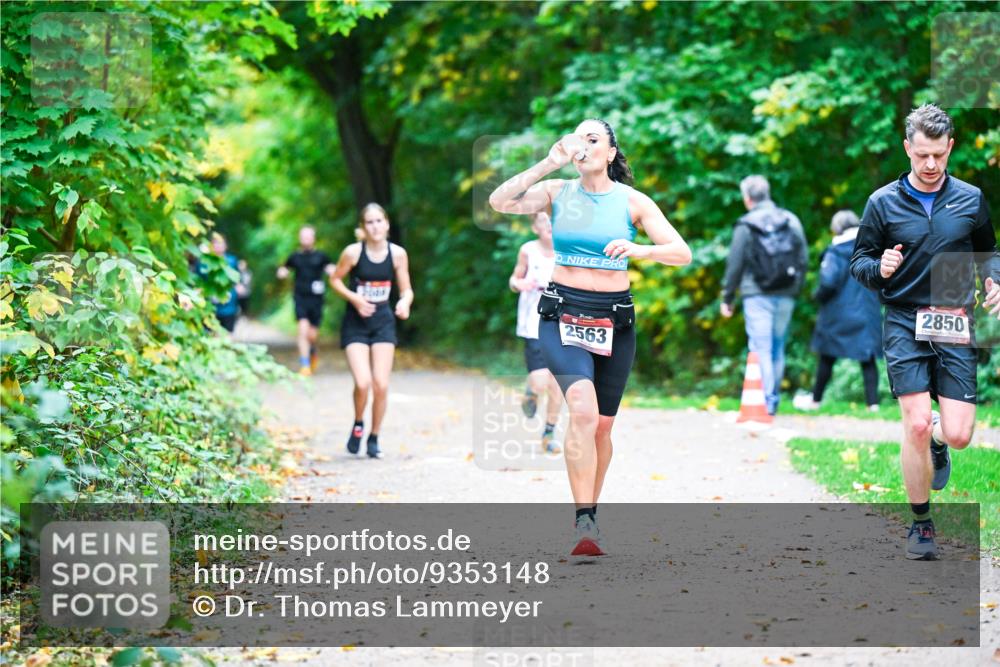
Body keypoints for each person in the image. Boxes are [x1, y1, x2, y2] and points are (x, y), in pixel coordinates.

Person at [489, 119, 692, 557]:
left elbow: (681, 253)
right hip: (562, 313)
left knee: (602, 427)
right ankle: (583, 520)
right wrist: (548, 162)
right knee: (581, 410)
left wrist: (641, 250)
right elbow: (499, 200)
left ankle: (592, 512)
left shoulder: (633, 202)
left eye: (593, 139)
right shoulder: (559, 192)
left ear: (611, 153)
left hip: (615, 321)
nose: (583, 146)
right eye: (578, 139)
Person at [850, 104, 1000, 560]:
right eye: (921, 156)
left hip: (954, 318)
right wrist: (881, 267)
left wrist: (994, 278)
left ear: (950, 147)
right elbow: (859, 263)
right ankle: (921, 523)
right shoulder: (883, 203)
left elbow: (988, 251)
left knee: (957, 434)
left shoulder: (970, 200)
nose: (930, 165)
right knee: (913, 422)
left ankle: (939, 441)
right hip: (903, 318)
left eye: (938, 155)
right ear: (907, 149)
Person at [330, 203, 413, 459]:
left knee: (381, 384)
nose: (375, 226)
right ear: (363, 228)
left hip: (383, 323)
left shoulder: (398, 254)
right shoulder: (353, 253)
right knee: (363, 382)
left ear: (387, 224)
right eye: (370, 222)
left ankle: (374, 436)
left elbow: (407, 289)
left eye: (379, 221)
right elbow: (334, 279)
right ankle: (358, 423)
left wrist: (404, 302)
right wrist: (355, 299)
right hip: (356, 324)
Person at [720, 175, 808, 416]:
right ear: (767, 194)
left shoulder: (746, 225)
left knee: (761, 347)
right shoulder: (790, 220)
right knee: (777, 347)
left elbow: (735, 264)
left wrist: (727, 298)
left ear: (747, 198)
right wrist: (795, 287)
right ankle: (773, 400)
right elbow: (803, 258)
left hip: (756, 294)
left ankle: (766, 402)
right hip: (786, 294)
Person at [793, 210, 882, 412]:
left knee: (827, 355)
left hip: (838, 314)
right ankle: (873, 405)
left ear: (837, 229)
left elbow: (828, 282)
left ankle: (815, 401)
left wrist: (817, 296)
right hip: (867, 313)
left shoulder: (835, 251)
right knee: (867, 359)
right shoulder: (870, 248)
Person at [509, 211, 563, 454]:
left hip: (562, 321)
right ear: (535, 227)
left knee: (558, 382)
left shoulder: (567, 249)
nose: (549, 224)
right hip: (533, 320)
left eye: (553, 219)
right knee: (541, 380)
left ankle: (549, 431)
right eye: (543, 220)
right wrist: (518, 284)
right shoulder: (528, 250)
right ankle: (531, 391)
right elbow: (514, 278)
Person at [277, 226, 335, 376]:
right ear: (300, 238)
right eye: (303, 236)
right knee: (302, 330)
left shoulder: (321, 256)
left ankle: (312, 351)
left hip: (316, 300)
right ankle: (305, 364)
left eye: (309, 236)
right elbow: (284, 268)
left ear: (313, 238)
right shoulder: (295, 256)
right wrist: (282, 272)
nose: (306, 239)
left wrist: (332, 270)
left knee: (312, 335)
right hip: (300, 298)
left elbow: (331, 267)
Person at [199, 233, 240, 333]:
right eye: (215, 243)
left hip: (228, 305)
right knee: (210, 334)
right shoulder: (204, 261)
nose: (218, 246)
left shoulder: (232, 261)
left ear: (226, 245)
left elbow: (237, 279)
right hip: (209, 305)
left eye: (220, 243)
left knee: (227, 334)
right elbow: (200, 278)